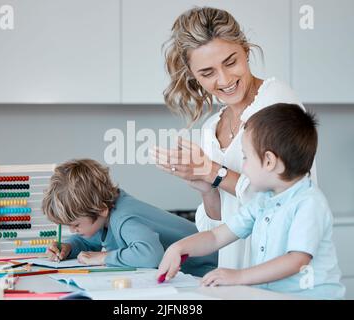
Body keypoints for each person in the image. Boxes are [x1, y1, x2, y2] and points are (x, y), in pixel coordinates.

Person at [152, 6, 317, 270]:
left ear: (246, 50)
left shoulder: (276, 101)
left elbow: (282, 201)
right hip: (235, 271)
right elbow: (220, 224)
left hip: (282, 271)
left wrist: (213, 171)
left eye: (231, 62)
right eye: (207, 73)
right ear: (193, 76)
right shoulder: (210, 128)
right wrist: (207, 189)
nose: (225, 79)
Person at [157, 104, 345, 299]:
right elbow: (216, 237)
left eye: (245, 157)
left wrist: (238, 276)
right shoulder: (263, 201)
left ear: (270, 161)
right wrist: (179, 248)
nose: (243, 167)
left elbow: (297, 259)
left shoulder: (309, 203)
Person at [42, 158, 217, 277]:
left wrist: (103, 257)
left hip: (206, 271)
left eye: (75, 225)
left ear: (101, 210)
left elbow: (151, 256)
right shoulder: (106, 211)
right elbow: (91, 239)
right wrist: (69, 246)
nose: (72, 230)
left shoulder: (124, 218)